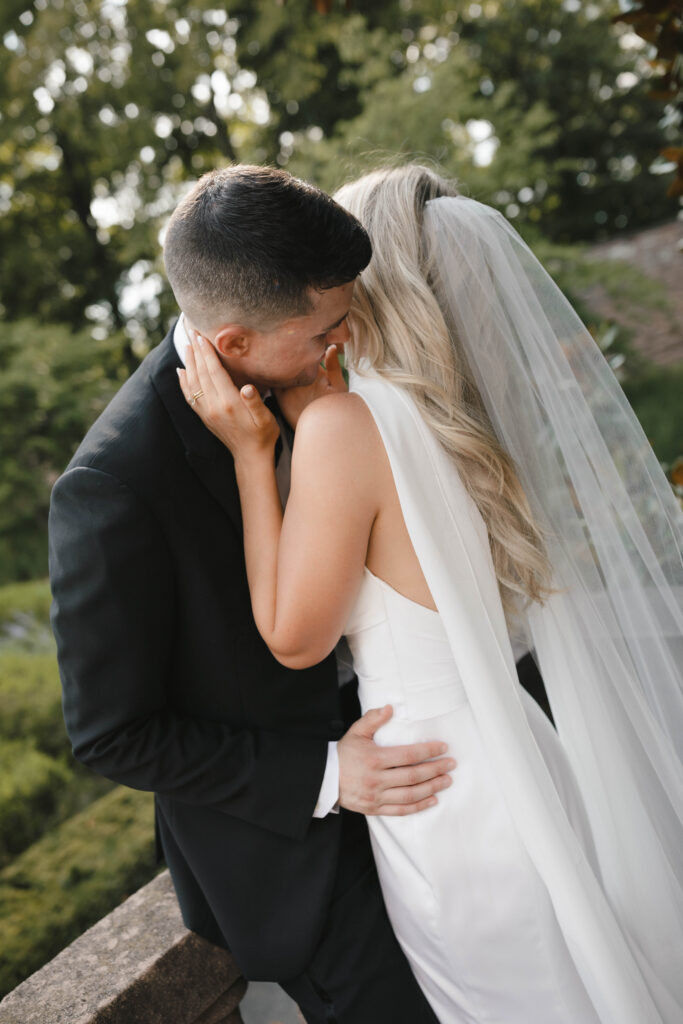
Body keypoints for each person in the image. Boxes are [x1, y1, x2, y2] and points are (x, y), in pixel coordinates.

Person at [178, 163, 683, 1024]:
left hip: (442, 793)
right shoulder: (462, 420)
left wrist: (248, 457)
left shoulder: (348, 425)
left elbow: (296, 639)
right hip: (517, 753)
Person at [48, 165, 457, 1024]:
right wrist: (324, 774)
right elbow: (112, 733)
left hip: (437, 788)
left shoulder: (320, 389)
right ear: (232, 343)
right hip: (305, 863)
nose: (341, 345)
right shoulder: (116, 484)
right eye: (323, 330)